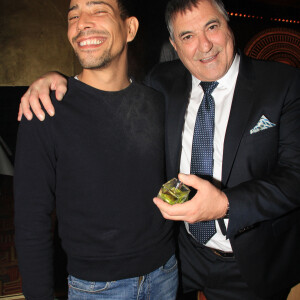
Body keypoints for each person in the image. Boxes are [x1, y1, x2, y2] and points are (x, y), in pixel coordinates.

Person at [18, 0, 300, 299]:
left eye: (212, 27)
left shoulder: (283, 84)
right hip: (170, 263)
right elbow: (31, 218)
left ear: (229, 25)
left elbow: (295, 175)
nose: (203, 45)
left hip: (236, 264)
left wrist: (225, 205)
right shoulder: (162, 85)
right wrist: (51, 78)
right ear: (174, 46)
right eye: (187, 36)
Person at [14, 0, 178, 299]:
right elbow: (30, 219)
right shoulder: (45, 108)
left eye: (98, 10)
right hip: (95, 287)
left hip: (166, 273)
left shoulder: (157, 101)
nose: (82, 23)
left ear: (130, 28)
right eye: (73, 15)